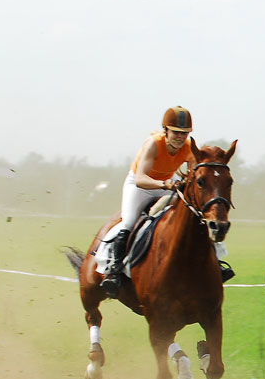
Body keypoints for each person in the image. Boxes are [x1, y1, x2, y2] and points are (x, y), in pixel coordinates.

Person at [100, 106, 233, 298]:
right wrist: (165, 184)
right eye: (176, 133)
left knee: (194, 219)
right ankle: (113, 271)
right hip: (140, 186)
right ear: (166, 130)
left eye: (184, 133)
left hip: (166, 186)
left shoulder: (188, 148)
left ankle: (216, 263)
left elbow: (195, 175)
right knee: (128, 222)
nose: (180, 137)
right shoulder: (153, 144)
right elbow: (140, 178)